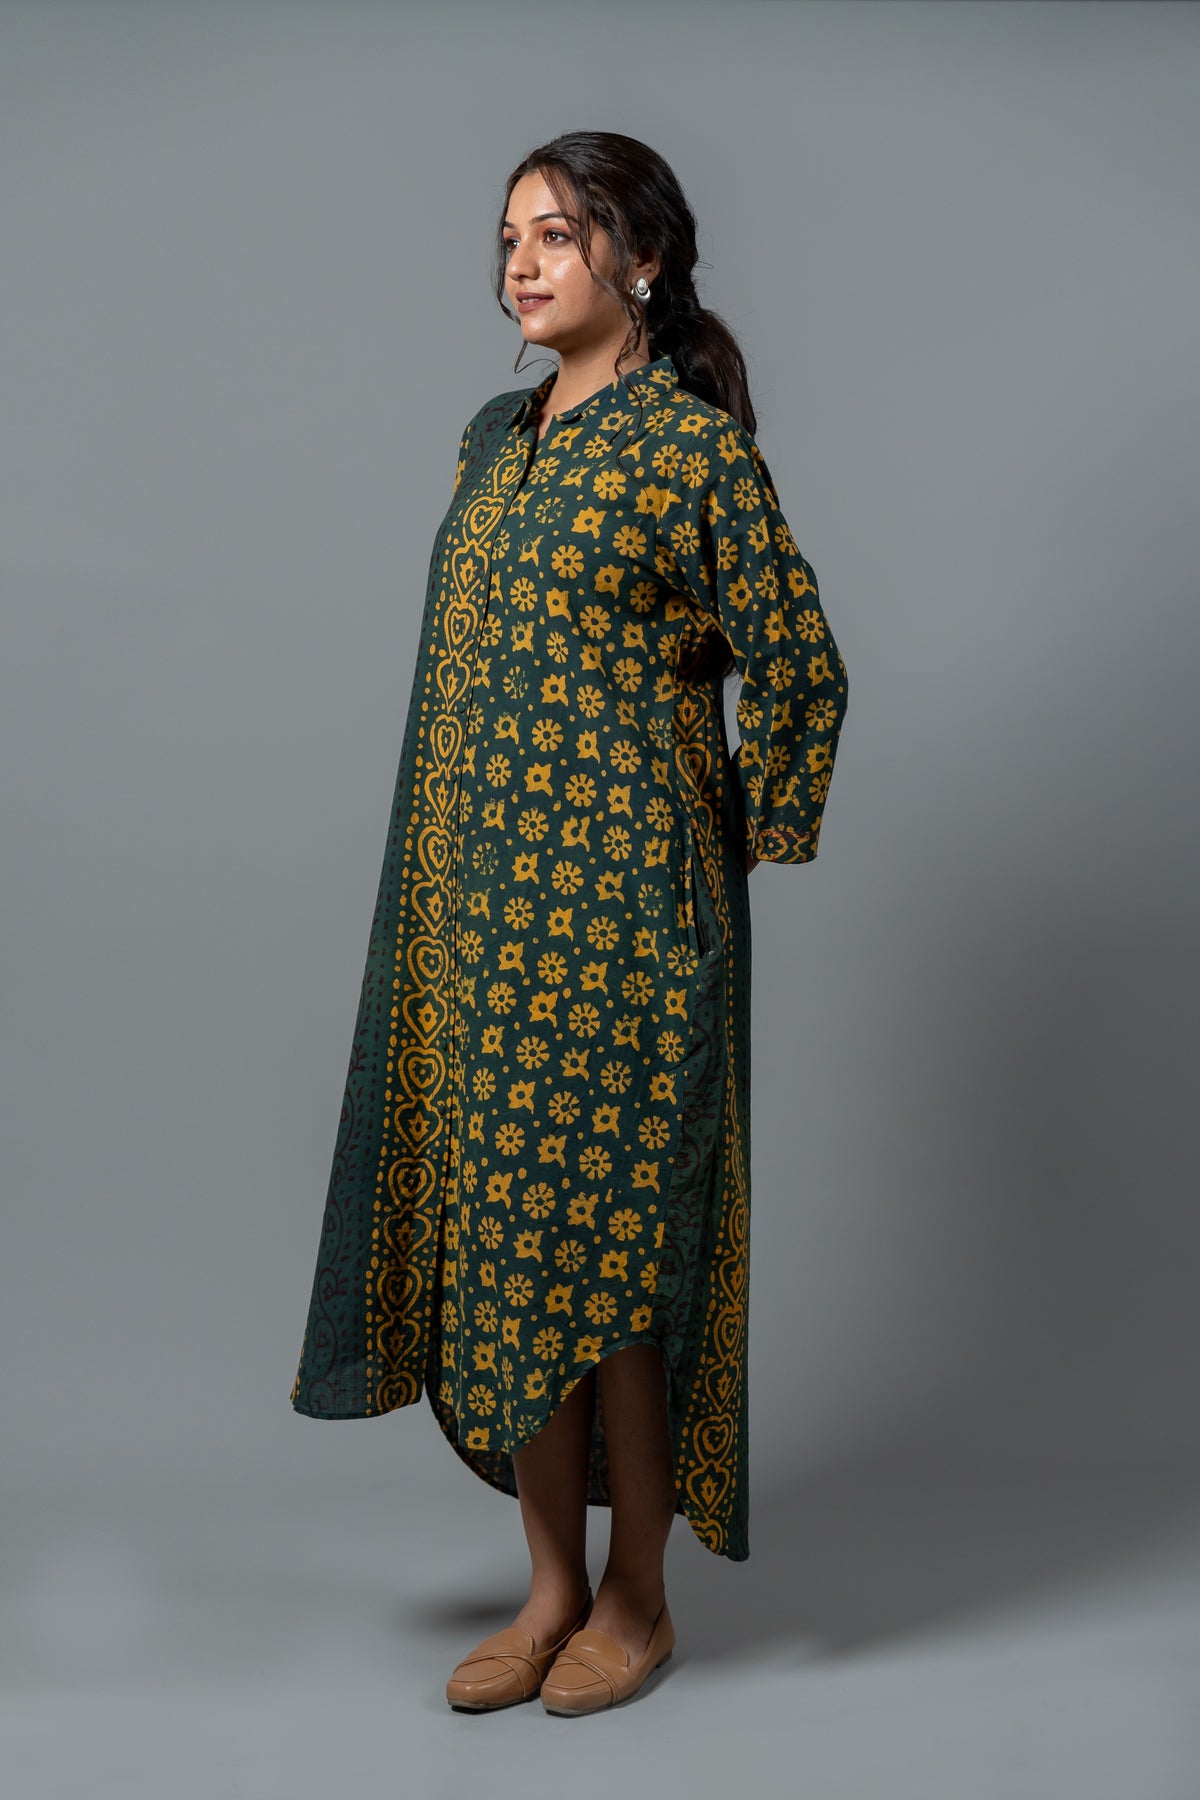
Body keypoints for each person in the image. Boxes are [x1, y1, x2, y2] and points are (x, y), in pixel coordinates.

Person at [289, 129, 849, 1717]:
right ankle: (546, 1591)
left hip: (628, 932)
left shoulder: (690, 452)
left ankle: (636, 1600)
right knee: (509, 1242)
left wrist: (732, 840)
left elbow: (801, 666)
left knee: (615, 1263)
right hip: (484, 924)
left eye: (557, 233)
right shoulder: (496, 439)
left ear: (641, 259)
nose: (521, 263)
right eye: (508, 238)